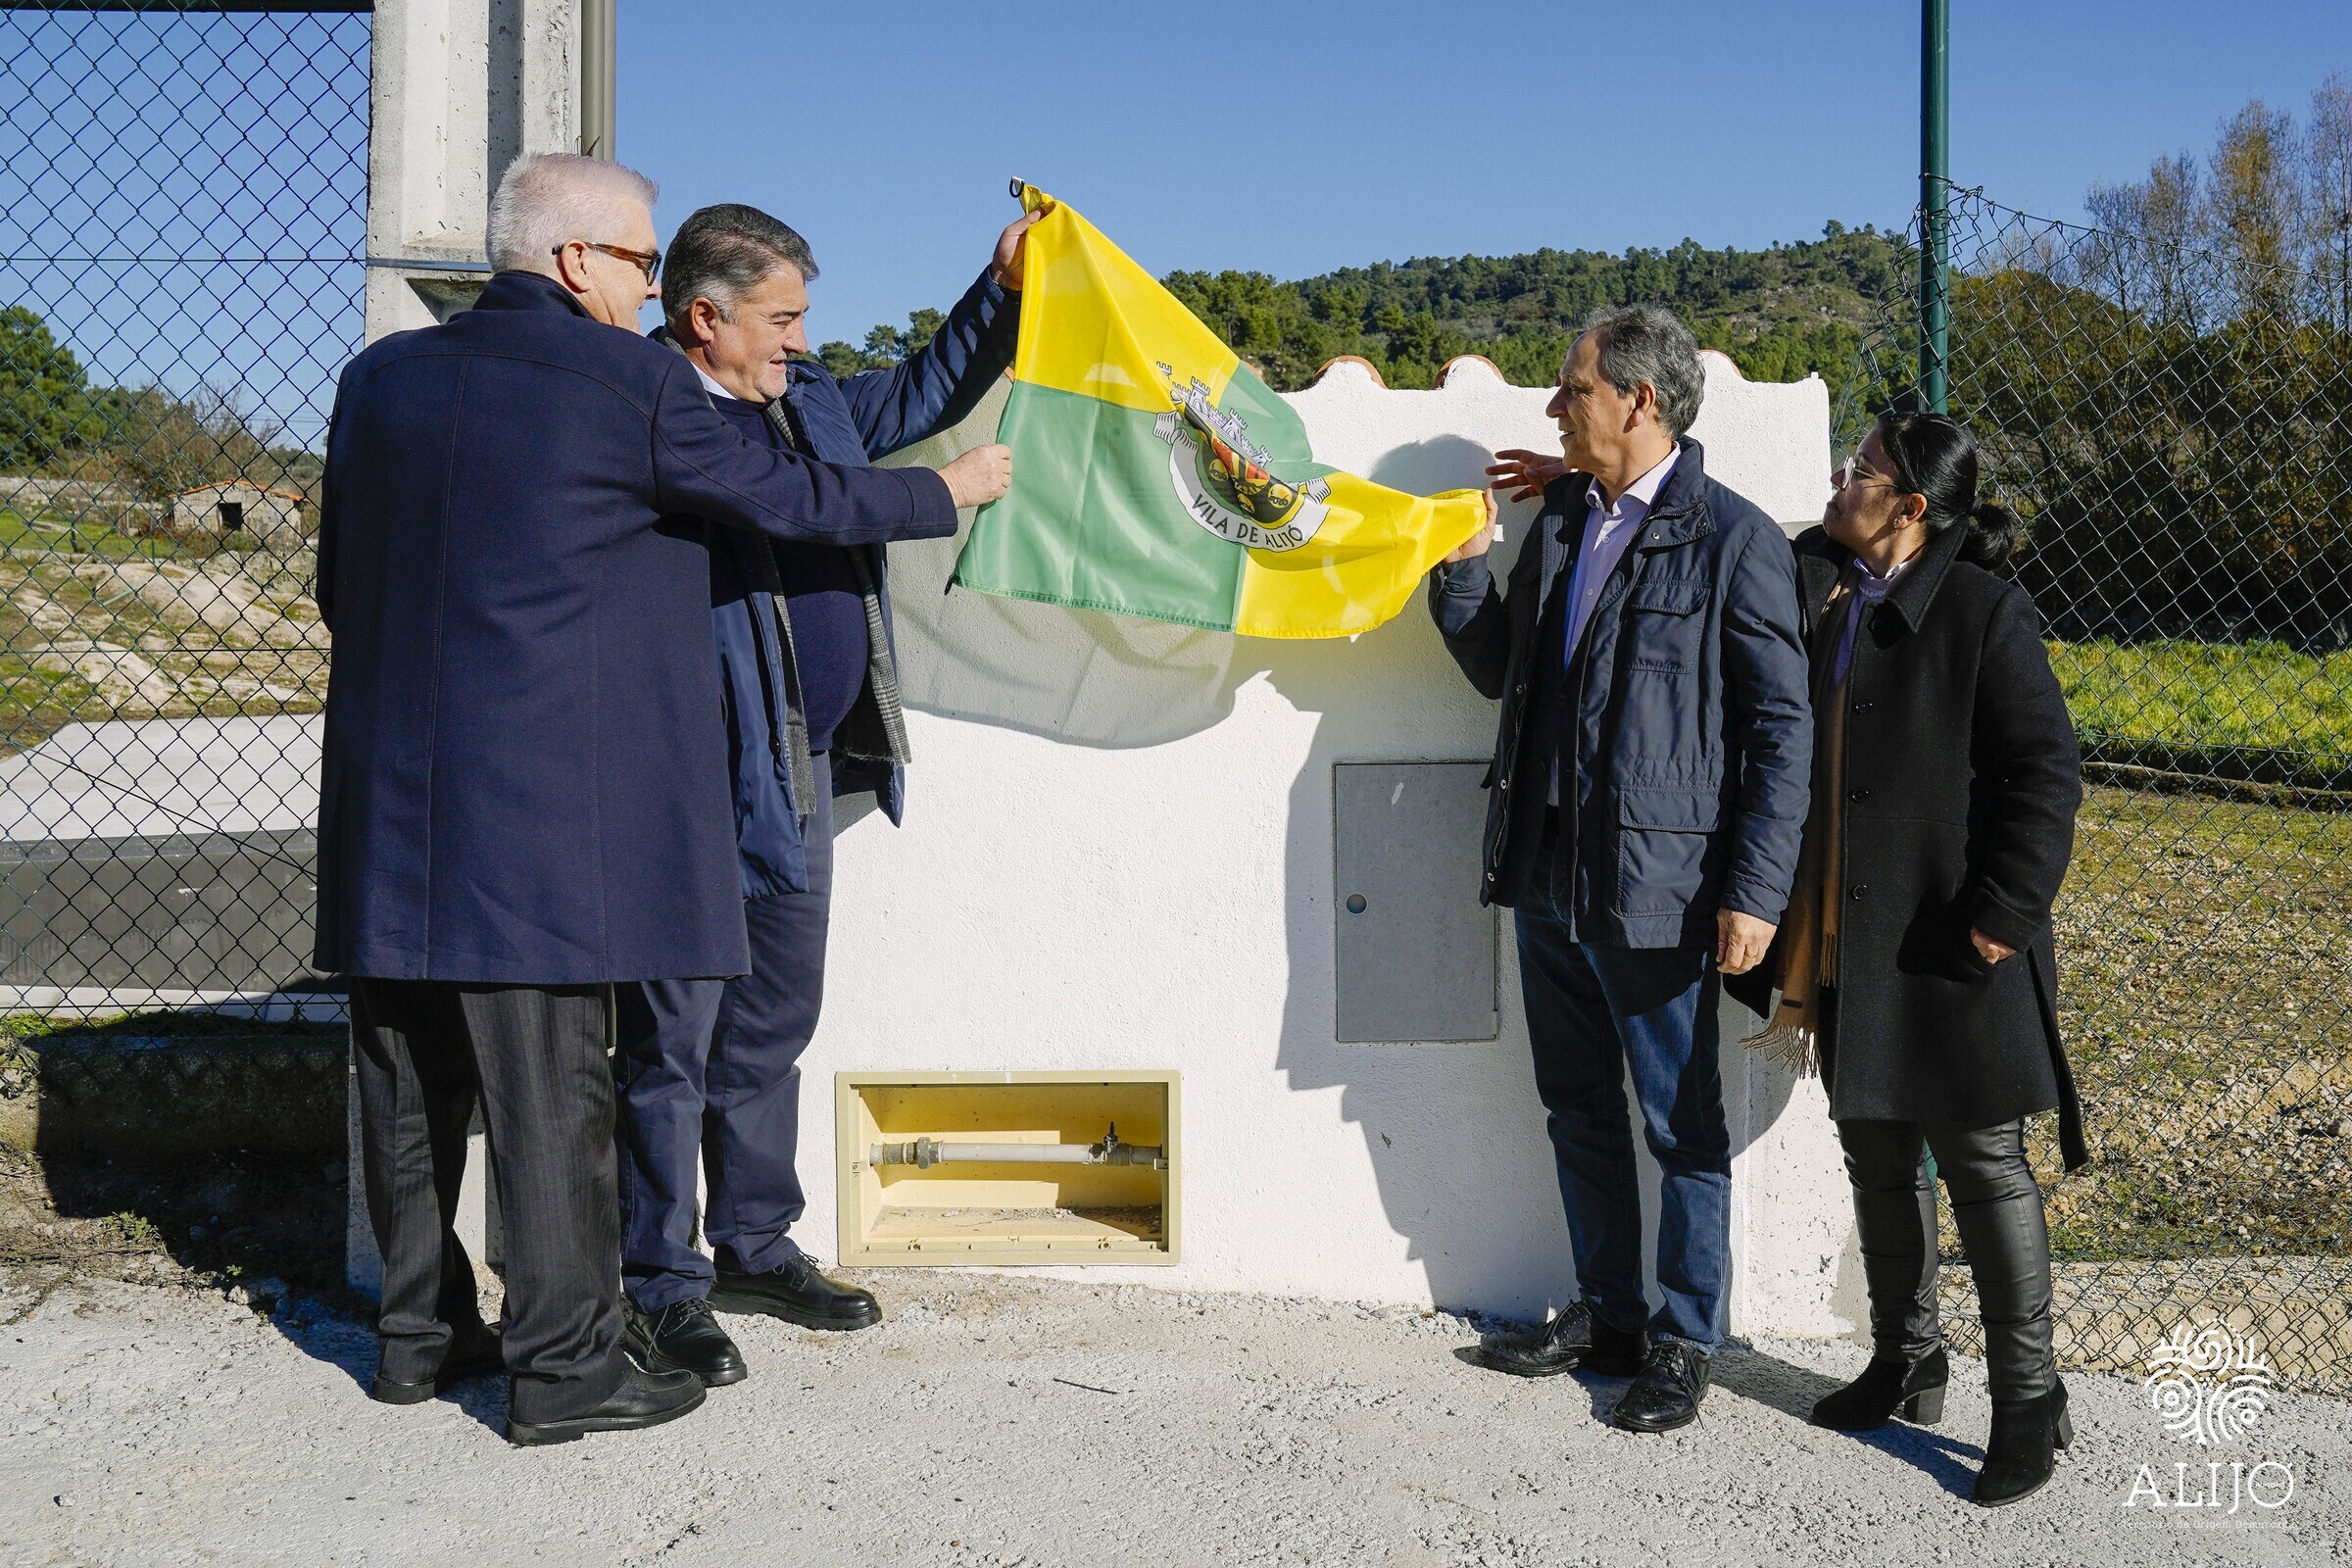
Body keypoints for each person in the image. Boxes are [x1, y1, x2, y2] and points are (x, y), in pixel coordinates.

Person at [315, 153, 1013, 1446]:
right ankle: (570, 1365)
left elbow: (335, 582)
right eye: (640, 260)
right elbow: (781, 497)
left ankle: (420, 1339)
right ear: (576, 257)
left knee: (410, 1079)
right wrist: (945, 493)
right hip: (552, 803)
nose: (646, 287)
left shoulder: (379, 379)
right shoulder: (626, 381)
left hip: (388, 800)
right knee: (557, 1089)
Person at [609, 200, 1033, 1385]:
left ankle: (753, 1243)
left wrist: (997, 291)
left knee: (773, 1017)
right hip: (688, 773)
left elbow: (919, 390)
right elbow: (797, 502)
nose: (802, 340)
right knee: (673, 1036)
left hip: (792, 771)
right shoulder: (653, 410)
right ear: (705, 318)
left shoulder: (807, 396)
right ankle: (659, 1282)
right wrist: (945, 491)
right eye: (782, 318)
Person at [1431, 305, 1812, 1433]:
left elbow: (1781, 731)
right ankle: (1609, 1315)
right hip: (1546, 868)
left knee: (1681, 1125)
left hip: (1659, 885)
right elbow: (1501, 671)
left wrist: (1755, 892)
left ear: (1640, 400)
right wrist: (1462, 575)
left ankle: (1685, 1340)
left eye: (1574, 388)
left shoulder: (1734, 540)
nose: (1556, 407)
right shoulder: (1560, 522)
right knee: (1576, 1104)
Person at [1738, 411, 2085, 1507]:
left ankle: (2026, 1399)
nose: (1841, 480)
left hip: (1953, 939)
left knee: (1983, 1166)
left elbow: (2046, 772)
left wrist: (2003, 914)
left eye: (1863, 472)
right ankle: (1908, 1358)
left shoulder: (1982, 610)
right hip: (1849, 938)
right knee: (1876, 1155)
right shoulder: (1830, 589)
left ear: (1914, 508)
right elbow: (1751, 541)